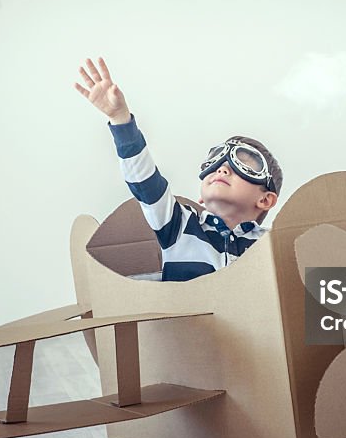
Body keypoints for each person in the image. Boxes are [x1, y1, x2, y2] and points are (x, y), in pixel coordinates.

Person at [73, 57, 283, 281]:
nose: (223, 169)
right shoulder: (180, 224)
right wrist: (120, 119)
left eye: (246, 164)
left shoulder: (273, 245)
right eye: (216, 162)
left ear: (265, 200)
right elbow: (145, 183)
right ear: (201, 199)